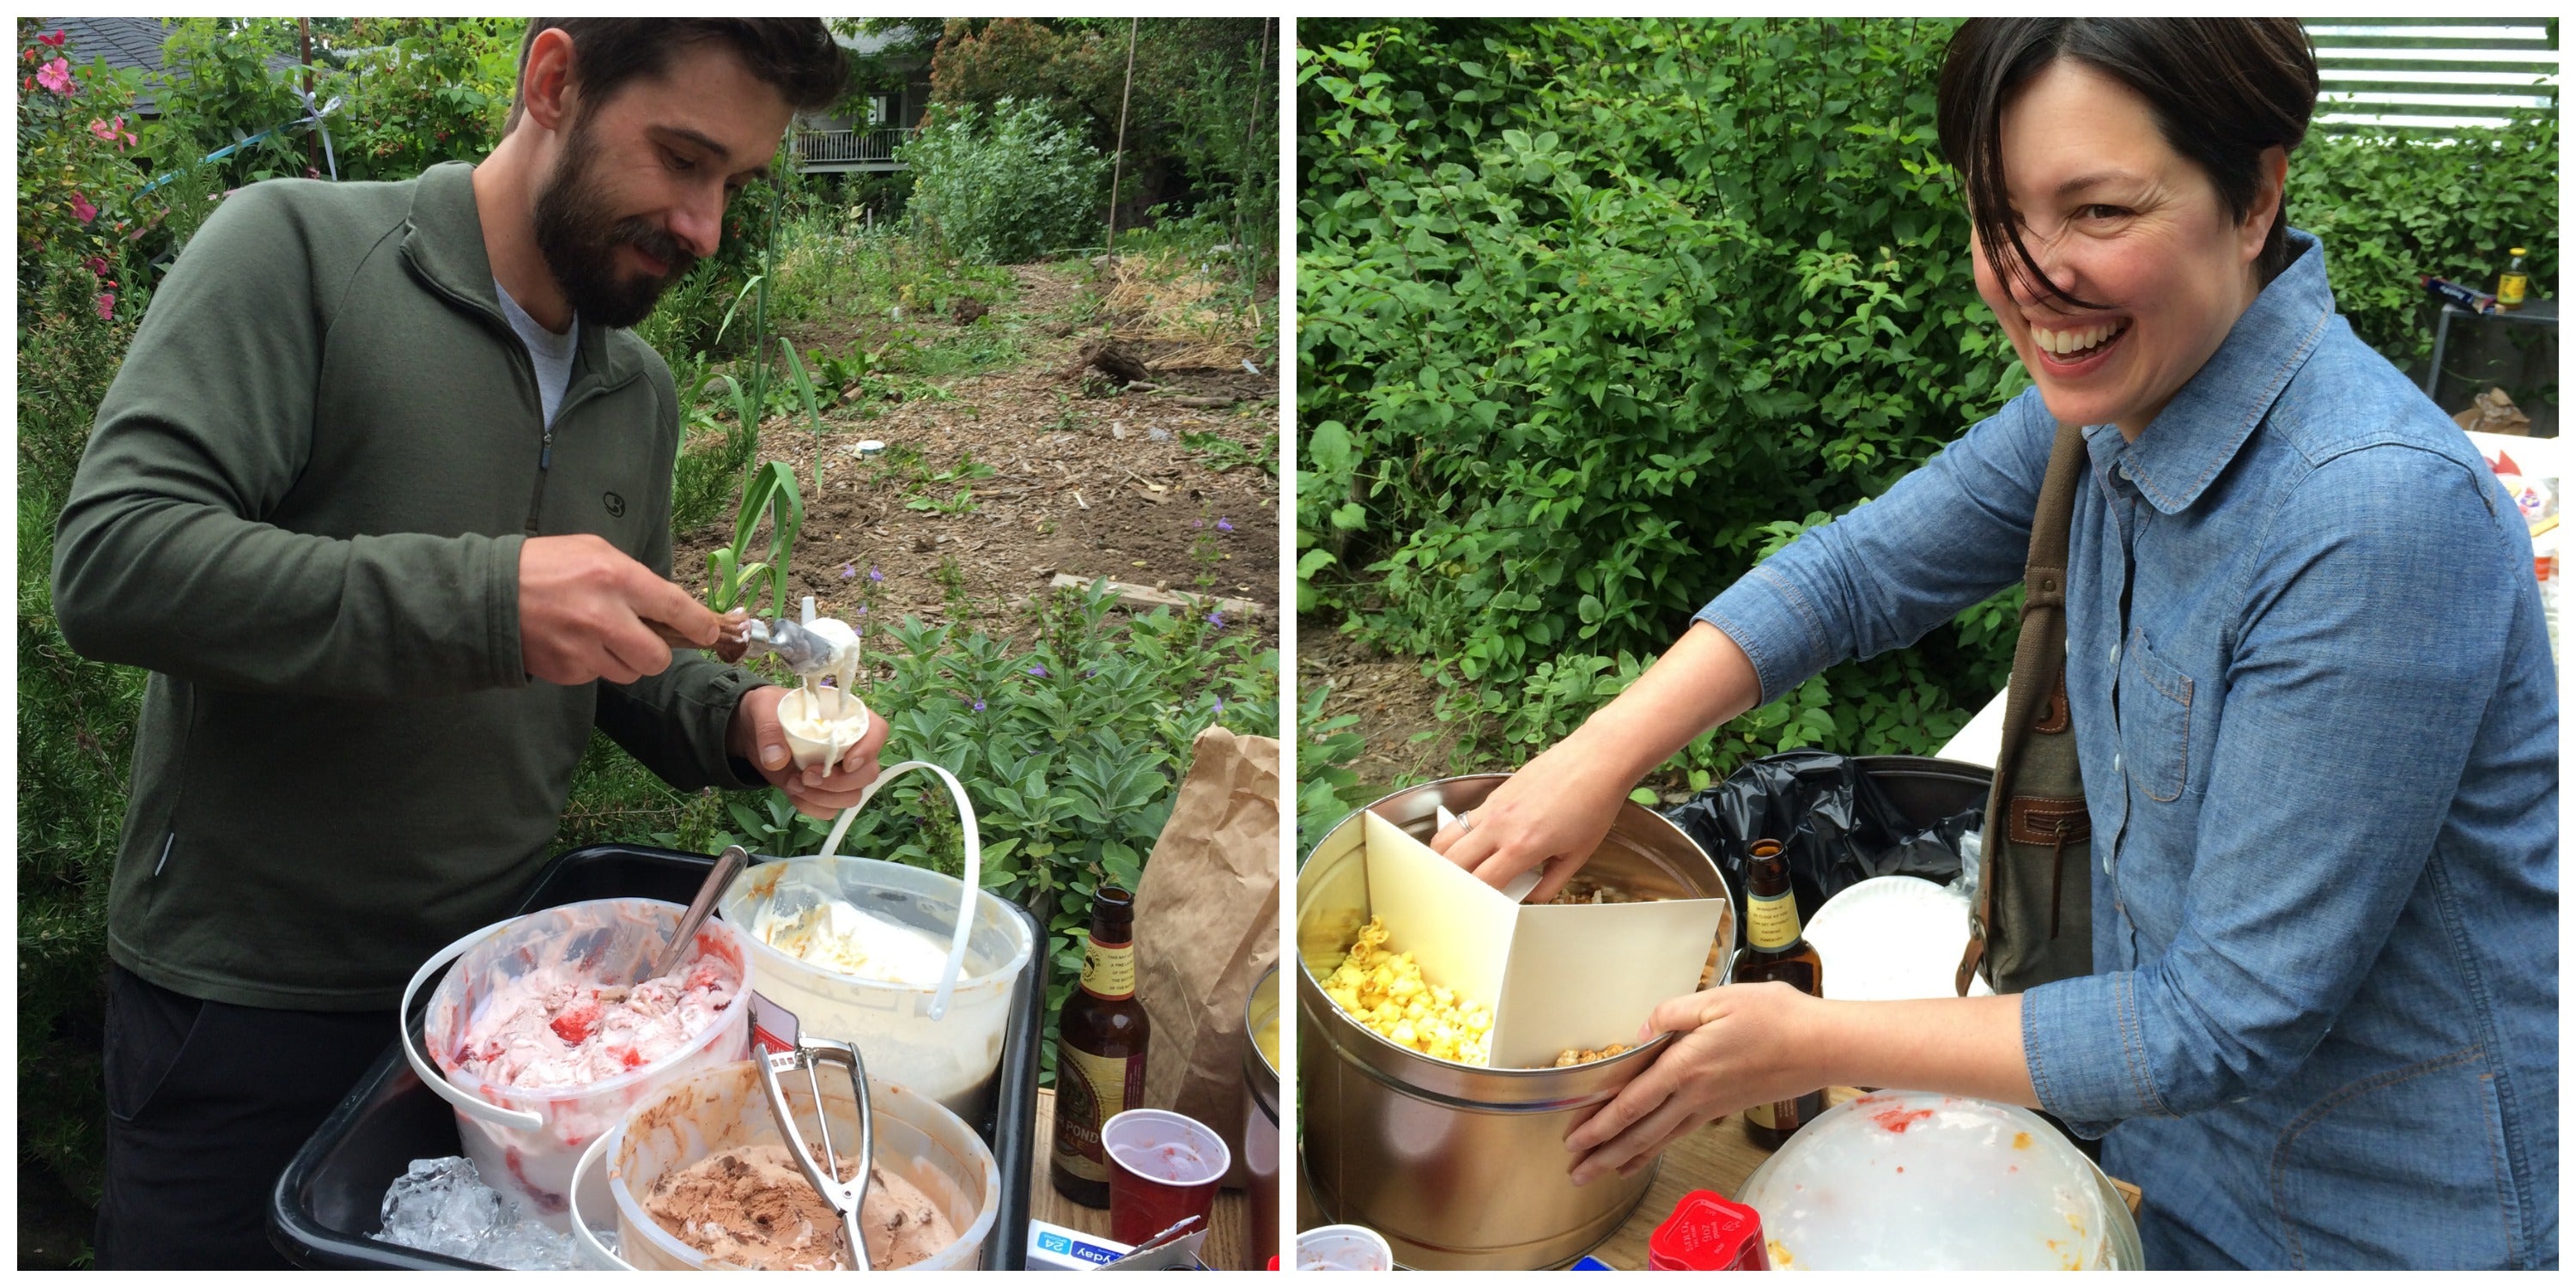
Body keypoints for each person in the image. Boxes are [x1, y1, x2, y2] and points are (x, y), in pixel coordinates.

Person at [1431, 18, 2555, 1271]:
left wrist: (1808, 1042)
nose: (2032, 277)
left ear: (2256, 197)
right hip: (2170, 1161)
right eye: (2002, 215)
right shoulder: (2119, 407)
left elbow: (2227, 1020)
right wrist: (1597, 758)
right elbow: (1859, 571)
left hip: (2384, 1215)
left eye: (2100, 211)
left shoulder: (2368, 516)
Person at [53, 20, 890, 1268]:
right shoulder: (297, 253)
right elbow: (117, 562)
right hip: (245, 1010)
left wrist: (733, 719)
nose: (707, 227)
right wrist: (489, 600)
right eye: (680, 158)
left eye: (733, 184)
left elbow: (611, 647)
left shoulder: (635, 388)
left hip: (519, 1013)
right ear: (552, 82)